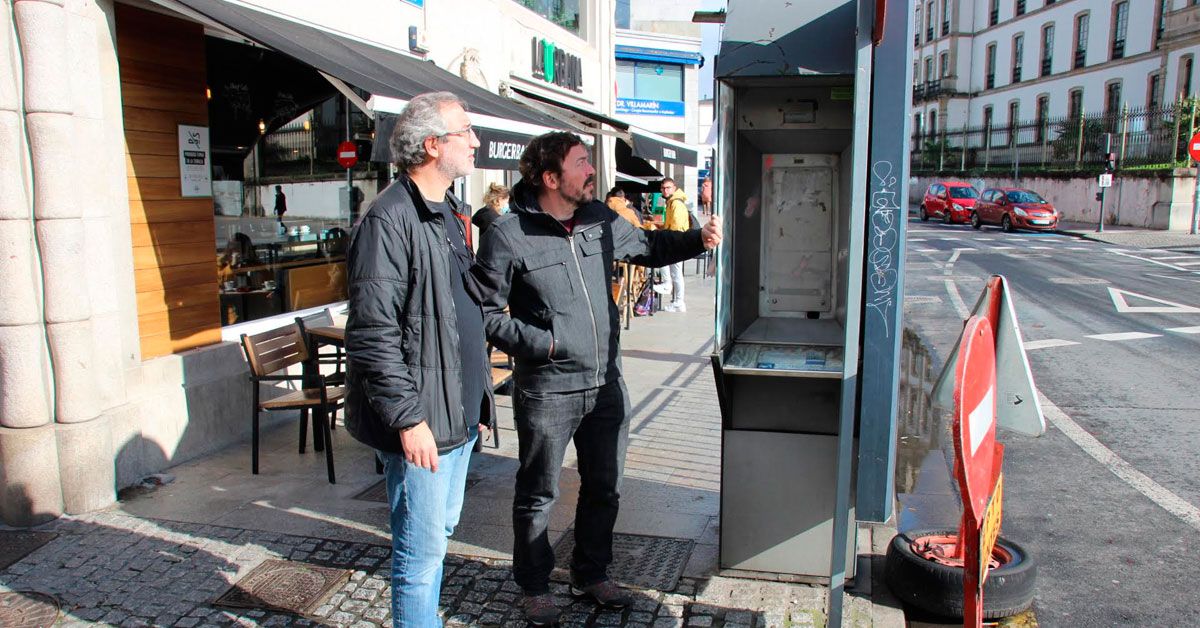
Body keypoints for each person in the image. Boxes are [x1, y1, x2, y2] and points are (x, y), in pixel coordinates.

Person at [472, 132, 722, 626]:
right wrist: (541, 343)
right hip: (547, 389)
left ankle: (592, 572)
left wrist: (697, 239)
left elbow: (649, 246)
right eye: (582, 163)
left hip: (606, 382)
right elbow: (483, 311)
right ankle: (535, 583)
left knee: (604, 487)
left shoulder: (599, 218)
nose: (592, 171)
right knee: (539, 492)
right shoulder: (508, 233)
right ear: (550, 178)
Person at [343, 91, 493, 628]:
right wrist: (408, 419)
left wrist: (477, 400)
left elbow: (457, 312)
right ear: (433, 145)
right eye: (465, 131)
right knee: (420, 554)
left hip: (456, 414)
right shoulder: (388, 219)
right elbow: (372, 332)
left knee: (439, 536)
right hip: (424, 419)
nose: (475, 140)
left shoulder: (452, 211)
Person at [659, 178, 690, 312]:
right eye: (663, 188)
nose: (666, 190)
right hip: (676, 240)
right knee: (675, 272)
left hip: (676, 240)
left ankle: (677, 300)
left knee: (675, 272)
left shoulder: (675, 203)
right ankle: (677, 300)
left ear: (674, 187)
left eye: (668, 188)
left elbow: (676, 225)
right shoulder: (672, 202)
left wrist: (668, 235)